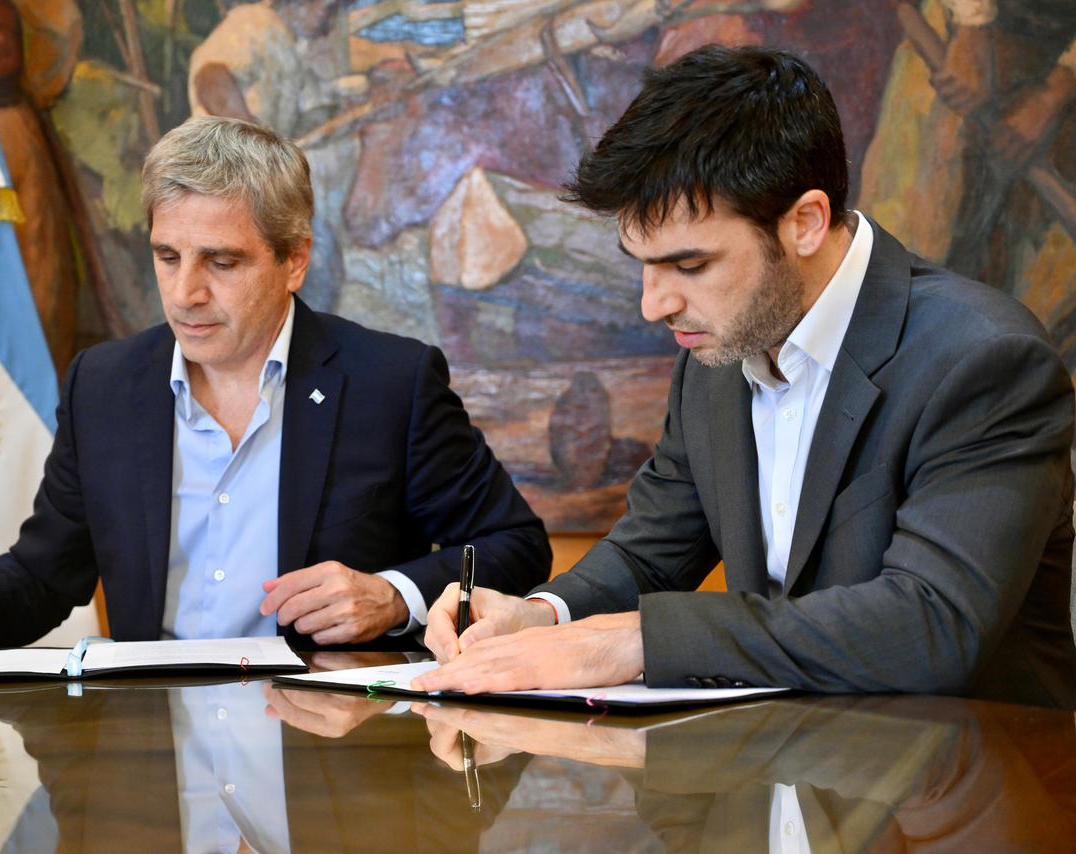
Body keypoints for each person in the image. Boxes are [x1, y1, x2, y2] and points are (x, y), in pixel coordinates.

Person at [416, 45, 1076, 708]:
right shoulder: (716, 357)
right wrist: (541, 615)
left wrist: (639, 641)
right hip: (779, 757)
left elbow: (932, 625)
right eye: (642, 263)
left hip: (970, 761)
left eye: (690, 266)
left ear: (806, 223)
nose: (654, 305)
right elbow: (650, 557)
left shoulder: (984, 361)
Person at [0, 116, 550, 656]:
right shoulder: (104, 386)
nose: (185, 293)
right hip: (151, 753)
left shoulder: (389, 382)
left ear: (294, 260)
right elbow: (44, 575)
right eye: (168, 256)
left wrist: (395, 597)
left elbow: (514, 543)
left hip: (329, 754)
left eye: (221, 262)